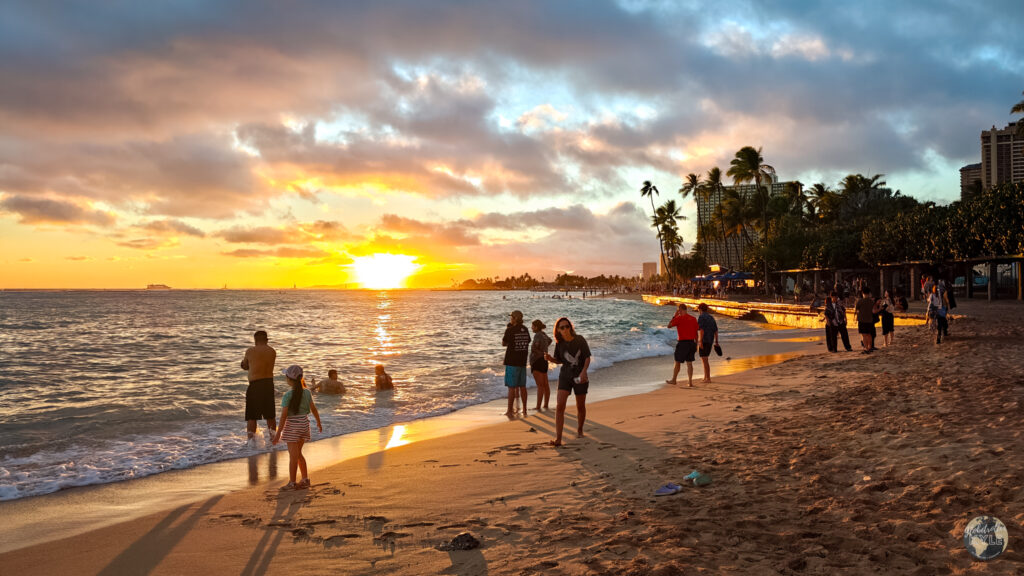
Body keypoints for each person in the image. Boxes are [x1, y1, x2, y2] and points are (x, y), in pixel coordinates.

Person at [272, 365, 322, 490]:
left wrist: (278, 434)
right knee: (298, 454)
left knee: (293, 457)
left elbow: (283, 417)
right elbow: (314, 409)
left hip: (292, 427)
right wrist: (318, 422)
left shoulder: (287, 395)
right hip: (304, 425)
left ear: (289, 380)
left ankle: (292, 482)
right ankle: (305, 479)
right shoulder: (307, 392)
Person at [544, 317, 590, 447]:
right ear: (558, 330)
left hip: (580, 376)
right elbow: (560, 361)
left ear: (570, 327)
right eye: (562, 327)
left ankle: (580, 429)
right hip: (565, 376)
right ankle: (558, 438)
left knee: (580, 406)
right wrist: (550, 359)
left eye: (567, 326)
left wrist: (583, 372)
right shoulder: (559, 344)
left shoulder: (580, 340)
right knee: (560, 406)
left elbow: (587, 357)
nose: (565, 329)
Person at [241, 330, 277, 443]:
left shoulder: (250, 350)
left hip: (255, 385)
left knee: (252, 416)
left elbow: (245, 365)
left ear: (255, 340)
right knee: (270, 416)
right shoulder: (272, 351)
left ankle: (251, 443)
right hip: (269, 384)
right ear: (266, 340)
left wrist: (244, 364)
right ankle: (274, 440)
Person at [502, 310, 531, 417]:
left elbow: (504, 343)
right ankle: (524, 409)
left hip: (512, 362)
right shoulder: (526, 329)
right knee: (522, 386)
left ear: (514, 318)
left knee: (511, 387)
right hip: (522, 361)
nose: (510, 319)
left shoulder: (510, 330)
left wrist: (508, 329)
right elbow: (528, 341)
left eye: (511, 317)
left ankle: (510, 410)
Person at [666, 303, 699, 387]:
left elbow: (669, 326)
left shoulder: (679, 318)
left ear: (680, 310)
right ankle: (690, 382)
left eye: (679, 310)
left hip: (683, 343)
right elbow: (696, 332)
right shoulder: (693, 319)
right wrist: (697, 343)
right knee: (689, 363)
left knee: (677, 361)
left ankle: (674, 379)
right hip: (692, 342)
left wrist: (674, 316)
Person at [529, 319, 552, 411]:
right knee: (545, 384)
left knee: (540, 385)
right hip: (544, 360)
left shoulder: (537, 335)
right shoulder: (544, 334)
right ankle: (545, 404)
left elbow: (535, 346)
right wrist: (544, 350)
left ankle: (538, 406)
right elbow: (550, 341)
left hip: (537, 361)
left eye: (532, 326)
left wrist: (539, 351)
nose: (531, 328)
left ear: (536, 327)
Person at [854, 287, 883, 353]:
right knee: (869, 334)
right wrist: (880, 309)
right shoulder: (872, 301)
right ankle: (870, 347)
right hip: (870, 320)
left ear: (862, 293)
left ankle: (866, 348)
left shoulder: (860, 301)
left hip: (862, 320)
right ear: (869, 293)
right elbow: (874, 311)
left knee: (864, 335)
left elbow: (856, 310)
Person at [696, 303, 718, 383]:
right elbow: (716, 330)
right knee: (705, 359)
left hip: (704, 340)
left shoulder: (701, 317)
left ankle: (708, 378)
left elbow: (701, 330)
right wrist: (716, 341)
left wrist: (700, 340)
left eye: (698, 309)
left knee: (704, 359)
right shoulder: (711, 317)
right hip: (710, 340)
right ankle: (706, 377)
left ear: (700, 309)